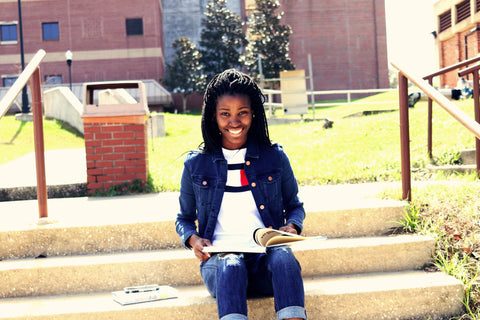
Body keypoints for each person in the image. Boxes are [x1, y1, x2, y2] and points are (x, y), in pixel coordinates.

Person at [175, 69, 307, 320]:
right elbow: (183, 219)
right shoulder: (196, 165)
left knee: (284, 256)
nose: (234, 122)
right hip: (220, 266)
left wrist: (291, 226)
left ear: (253, 113)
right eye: (225, 114)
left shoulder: (274, 157)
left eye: (242, 113)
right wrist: (194, 240)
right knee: (232, 262)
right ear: (213, 116)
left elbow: (294, 206)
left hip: (263, 262)